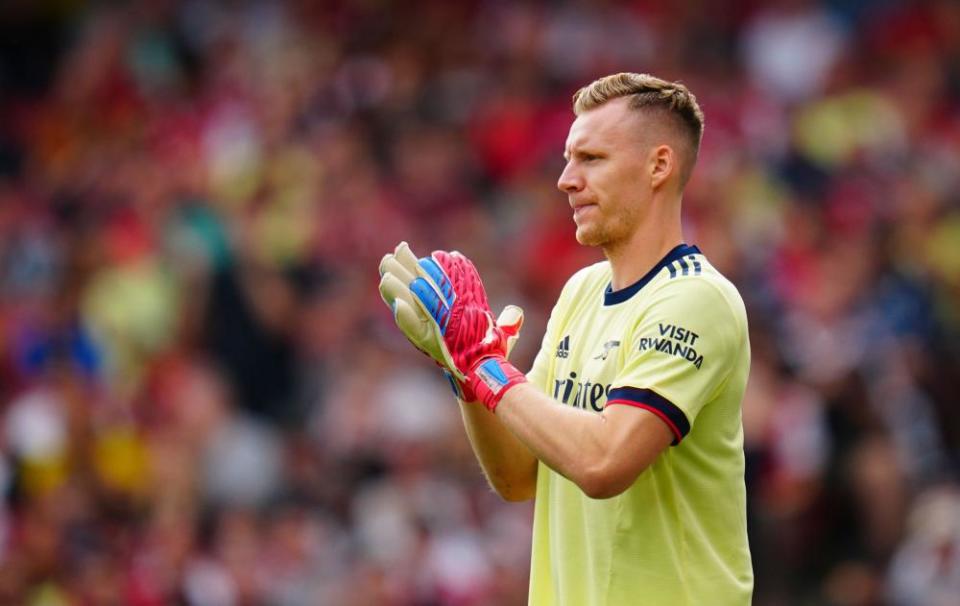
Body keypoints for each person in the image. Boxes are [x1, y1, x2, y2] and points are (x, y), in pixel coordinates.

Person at [379, 72, 753, 605]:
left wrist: (486, 365)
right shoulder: (582, 290)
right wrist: (462, 370)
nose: (566, 180)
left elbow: (603, 464)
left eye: (592, 159)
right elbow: (518, 475)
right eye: (567, 158)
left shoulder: (695, 300)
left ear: (659, 166)